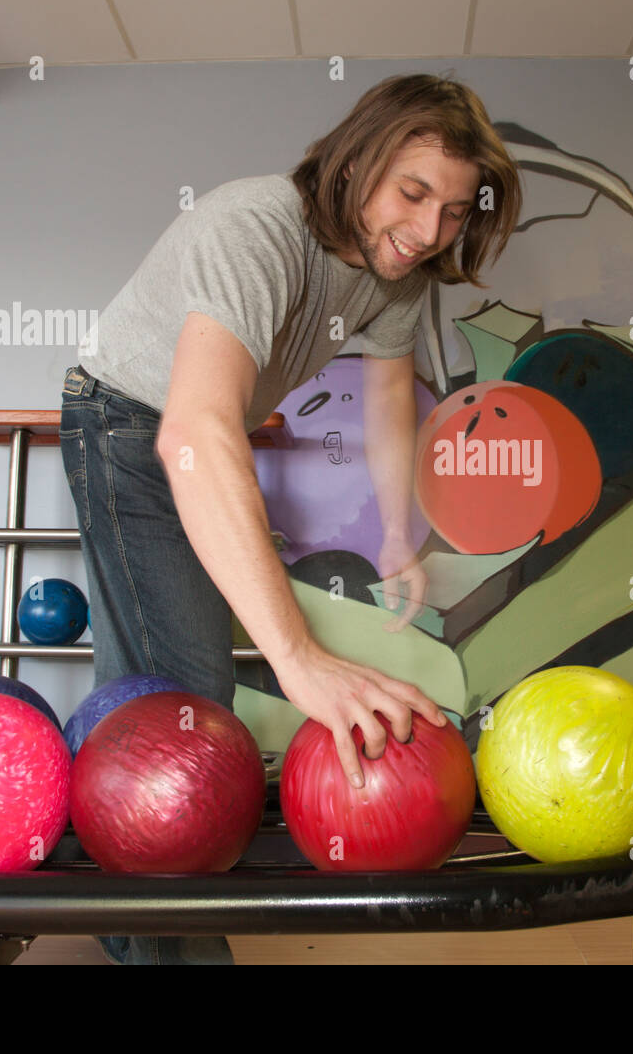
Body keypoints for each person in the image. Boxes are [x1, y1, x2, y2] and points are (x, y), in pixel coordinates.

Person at [59, 73, 522, 964]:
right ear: (356, 164)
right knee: (186, 709)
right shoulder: (256, 225)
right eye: (413, 193)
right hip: (126, 420)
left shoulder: (399, 273)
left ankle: (128, 919)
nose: (429, 232)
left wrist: (397, 533)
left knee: (166, 706)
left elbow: (390, 394)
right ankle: (166, 949)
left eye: (457, 211)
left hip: (197, 430)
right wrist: (301, 657)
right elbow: (193, 428)